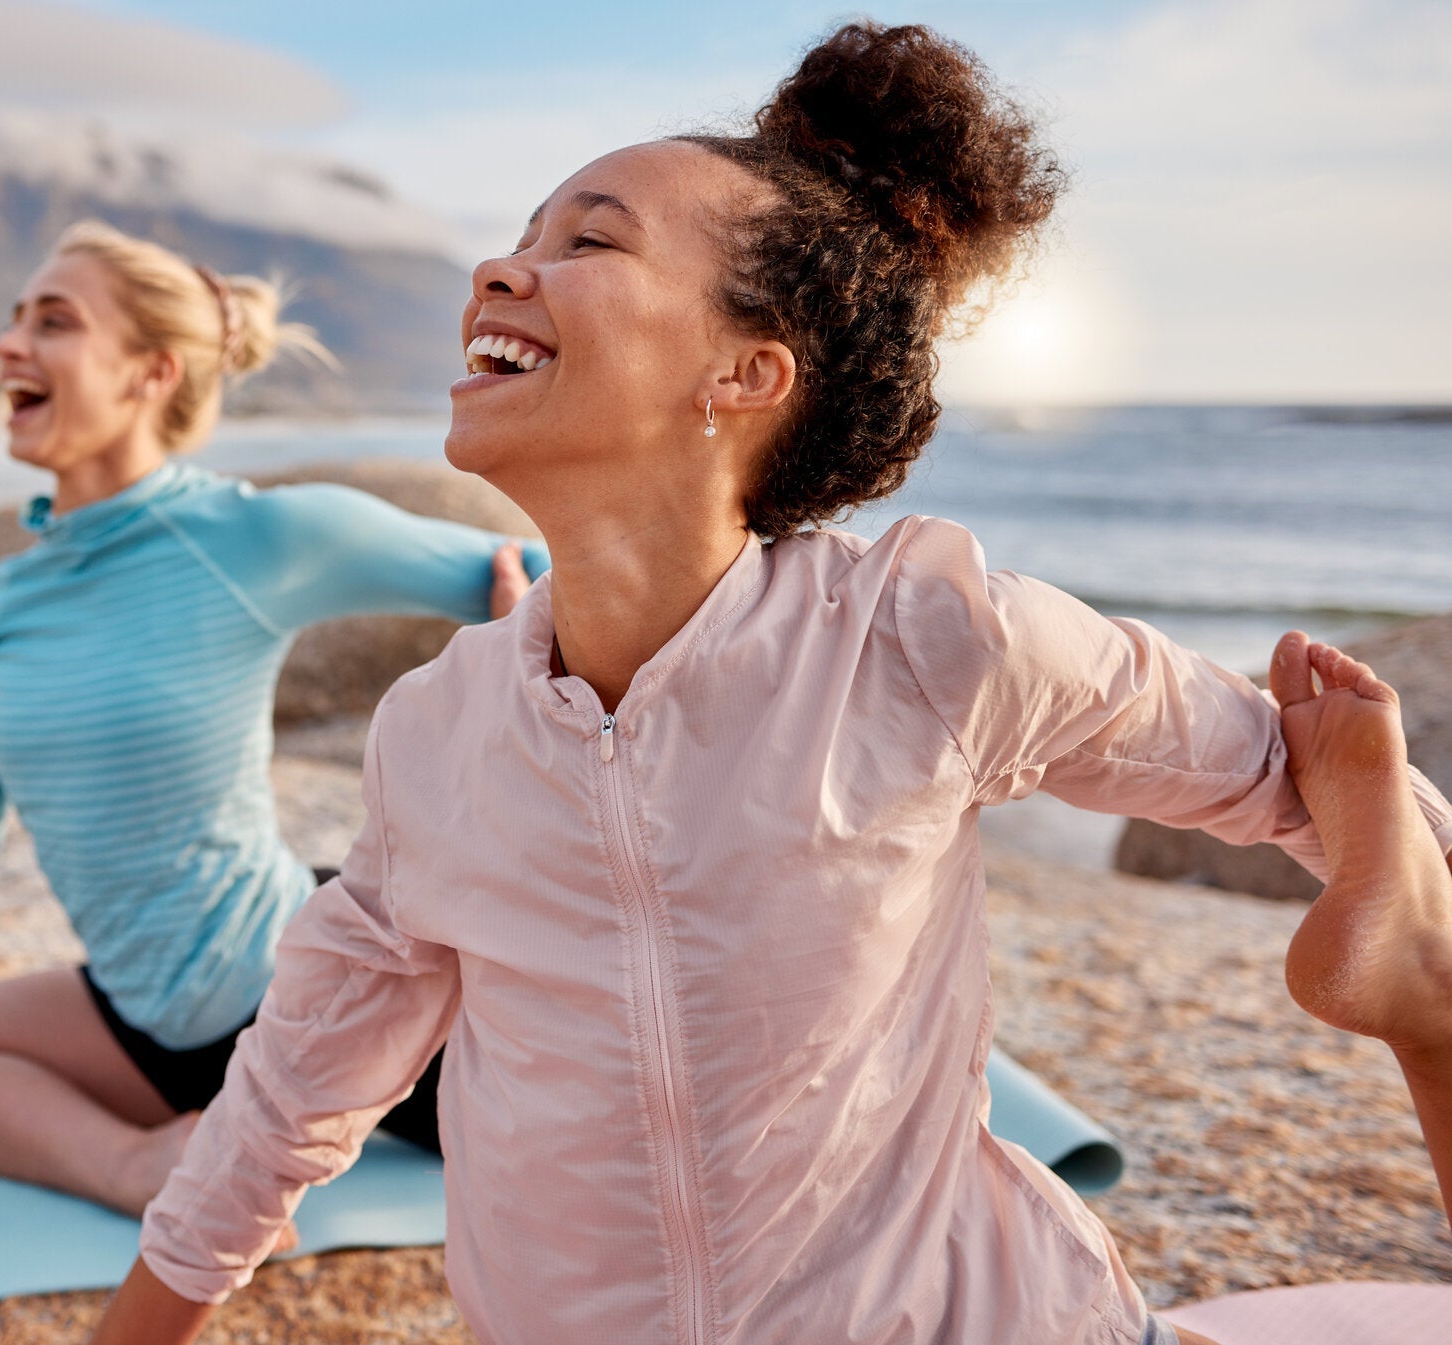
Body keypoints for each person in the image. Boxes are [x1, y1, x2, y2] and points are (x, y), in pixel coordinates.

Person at [89, 22, 1452, 1345]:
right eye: (516, 237)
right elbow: (291, 1087)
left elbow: (1280, 764)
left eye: (586, 240)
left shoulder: (918, 636)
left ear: (745, 373)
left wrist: (1375, 829)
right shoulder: (436, 732)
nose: (500, 271)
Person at [0, 220, 542, 1218]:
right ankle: (137, 1168)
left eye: (53, 321)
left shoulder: (258, 534)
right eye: (12, 321)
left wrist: (525, 656)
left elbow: (530, 579)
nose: (8, 345)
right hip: (141, 1019)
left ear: (151, 373)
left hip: (304, 991)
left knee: (552, 1155)